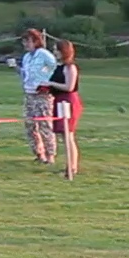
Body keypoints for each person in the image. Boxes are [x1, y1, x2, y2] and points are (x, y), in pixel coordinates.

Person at [19, 28, 57, 164]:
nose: (25, 44)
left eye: (28, 41)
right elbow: (25, 74)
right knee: (30, 125)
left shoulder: (44, 54)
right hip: (29, 94)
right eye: (24, 41)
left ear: (36, 41)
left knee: (45, 124)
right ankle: (38, 153)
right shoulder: (27, 57)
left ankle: (50, 155)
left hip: (42, 95)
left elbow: (54, 66)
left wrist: (45, 77)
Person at [45, 39, 82, 179]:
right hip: (59, 100)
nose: (55, 52)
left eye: (57, 50)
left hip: (69, 101)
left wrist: (50, 83)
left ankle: (72, 168)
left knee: (69, 135)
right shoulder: (59, 67)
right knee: (63, 135)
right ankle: (69, 166)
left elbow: (69, 87)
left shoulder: (70, 67)